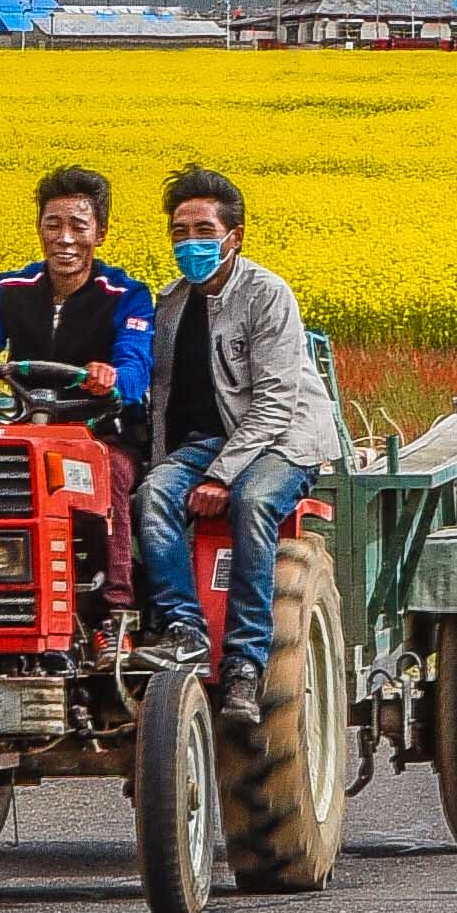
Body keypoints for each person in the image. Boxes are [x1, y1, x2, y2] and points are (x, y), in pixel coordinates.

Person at [133, 165, 346, 728]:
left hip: (285, 438)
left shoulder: (266, 295)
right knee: (152, 494)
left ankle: (246, 662)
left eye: (204, 231)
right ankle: (185, 631)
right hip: (211, 441)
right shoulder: (172, 303)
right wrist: (164, 465)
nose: (190, 244)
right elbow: (162, 400)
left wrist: (221, 477)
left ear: (235, 236)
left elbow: (275, 403)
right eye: (179, 232)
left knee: (253, 502)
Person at [0, 166, 153, 436]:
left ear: (100, 234)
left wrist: (111, 378)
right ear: (39, 229)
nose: (65, 239)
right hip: (26, 428)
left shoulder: (127, 294)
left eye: (78, 228)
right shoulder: (10, 289)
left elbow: (135, 366)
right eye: (53, 226)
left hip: (103, 435)